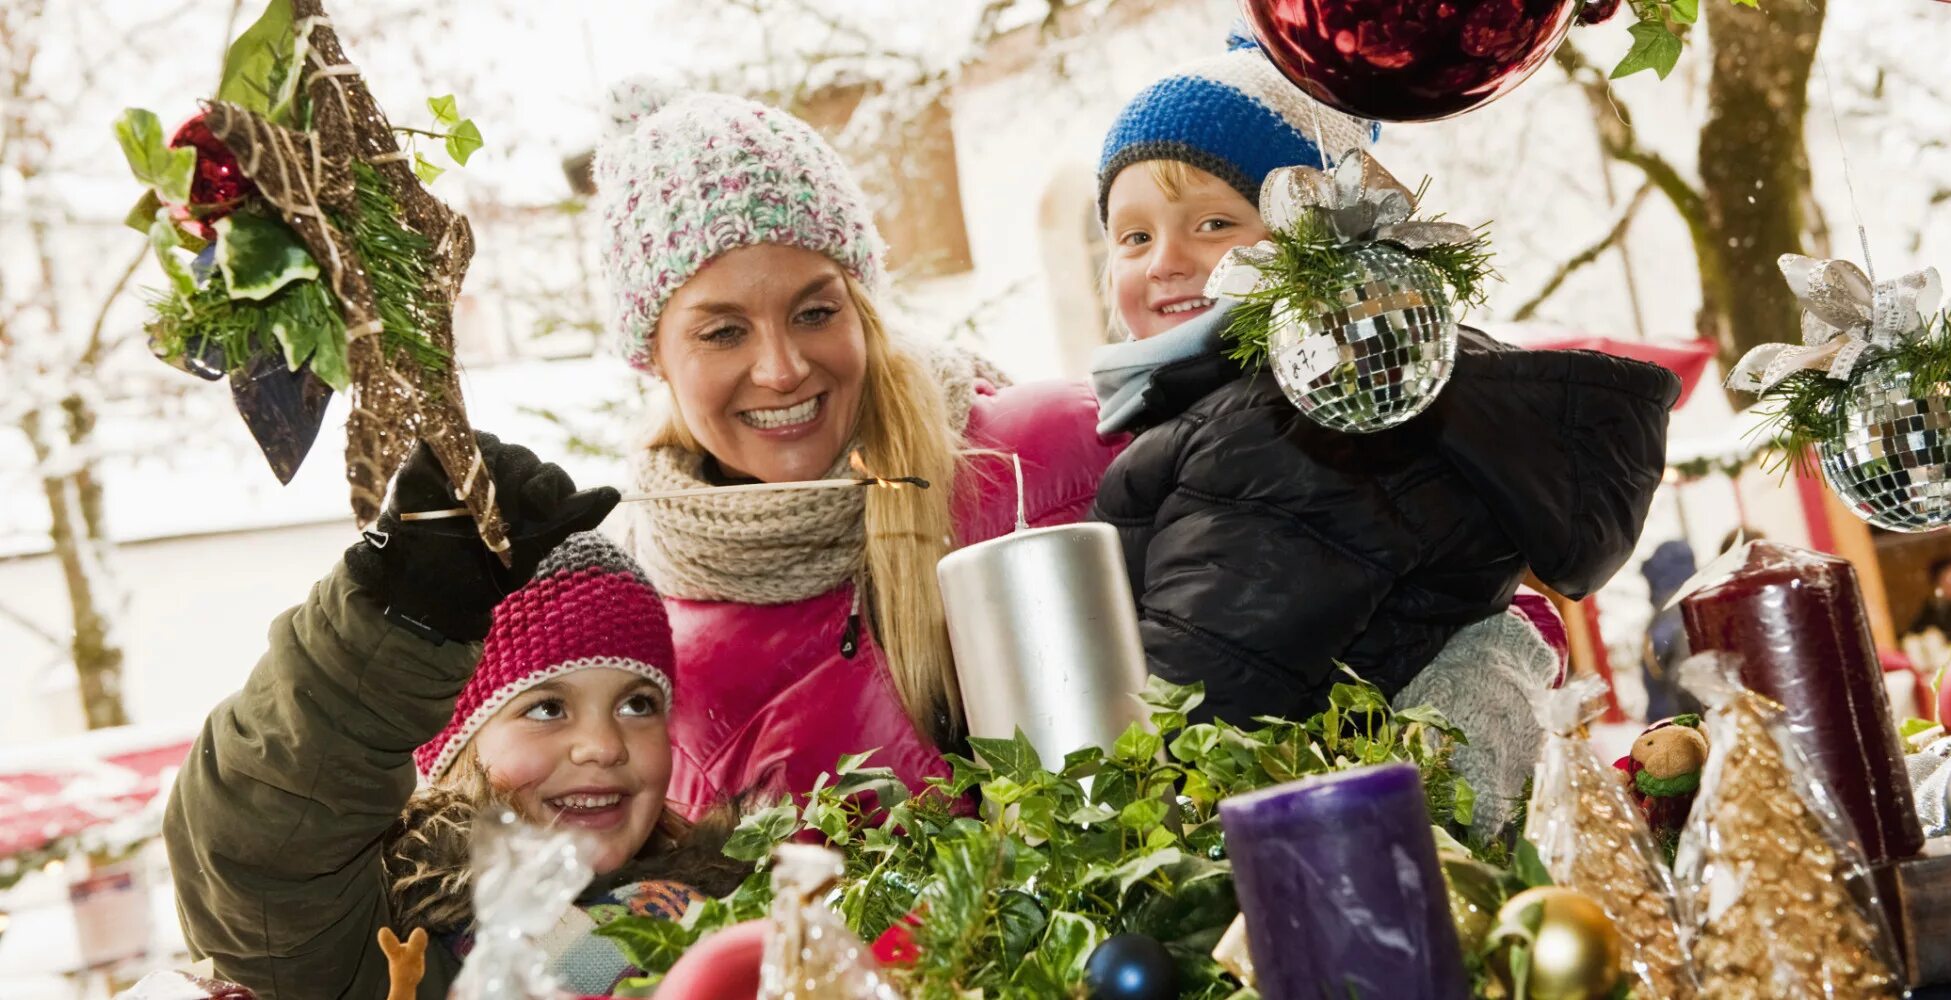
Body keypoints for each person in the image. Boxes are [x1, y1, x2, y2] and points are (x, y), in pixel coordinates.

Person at [1087, 34, 1679, 727]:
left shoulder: (1292, 424)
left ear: (1307, 243)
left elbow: (1195, 710)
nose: (1165, 261)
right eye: (1133, 237)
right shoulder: (1229, 407)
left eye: (1214, 223)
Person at [593, 81, 1123, 816]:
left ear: (861, 306)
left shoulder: (1048, 460)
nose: (782, 368)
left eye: (814, 312)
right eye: (722, 332)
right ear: (651, 357)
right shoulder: (649, 659)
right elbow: (609, 920)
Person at [166, 438, 746, 999]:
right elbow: (264, 843)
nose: (602, 745)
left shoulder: (740, 919)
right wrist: (407, 622)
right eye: (546, 707)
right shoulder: (391, 943)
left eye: (637, 704)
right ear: (455, 746)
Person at [1640, 540, 1701, 723]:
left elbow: (1686, 684)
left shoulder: (1670, 614)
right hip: (1685, 729)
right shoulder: (1690, 608)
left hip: (1678, 727)